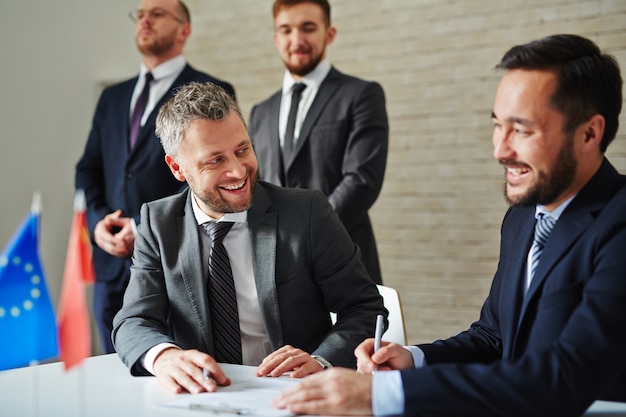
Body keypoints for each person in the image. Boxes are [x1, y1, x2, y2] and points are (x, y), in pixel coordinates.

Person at [274, 34, 626, 417]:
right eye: (498, 125)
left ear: (589, 134)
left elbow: (564, 377)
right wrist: (413, 359)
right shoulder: (523, 216)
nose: (500, 150)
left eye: (521, 130)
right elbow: (493, 337)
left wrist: (385, 394)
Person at [111, 81, 387, 394]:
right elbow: (133, 321)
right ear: (177, 168)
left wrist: (321, 361)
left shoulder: (307, 212)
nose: (238, 171)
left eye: (243, 150)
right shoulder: (157, 223)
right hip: (205, 398)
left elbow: (365, 308)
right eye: (216, 160)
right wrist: (164, 357)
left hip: (295, 393)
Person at [75, 0, 235, 354]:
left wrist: (141, 224)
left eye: (158, 13)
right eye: (141, 14)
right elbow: (88, 168)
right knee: (112, 370)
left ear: (184, 30)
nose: (145, 20)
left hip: (172, 256)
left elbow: (209, 174)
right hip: (110, 261)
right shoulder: (112, 97)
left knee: (169, 368)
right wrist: (100, 221)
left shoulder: (210, 90)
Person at [248, 0, 389, 284]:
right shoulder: (260, 113)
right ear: (276, 39)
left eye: (308, 28)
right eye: (286, 30)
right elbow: (254, 185)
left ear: (330, 33)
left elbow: (362, 181)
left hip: (344, 262)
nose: (296, 40)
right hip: (275, 271)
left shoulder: (361, 95)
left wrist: (302, 240)